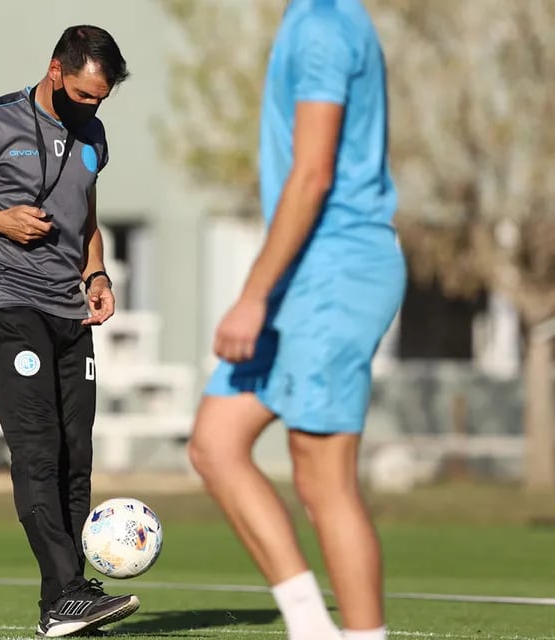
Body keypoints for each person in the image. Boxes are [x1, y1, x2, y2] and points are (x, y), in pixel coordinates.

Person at [0, 25, 138, 638]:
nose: (92, 108)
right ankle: (69, 590)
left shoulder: (94, 136)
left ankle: (61, 606)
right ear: (56, 70)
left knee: (75, 455)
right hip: (6, 305)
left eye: (103, 99)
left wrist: (97, 272)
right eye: (85, 95)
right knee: (37, 450)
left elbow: (85, 217)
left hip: (69, 310)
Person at [188, 2, 406, 640]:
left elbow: (312, 176)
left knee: (322, 477)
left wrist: (253, 295)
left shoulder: (322, 26)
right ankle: (312, 628)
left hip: (336, 270)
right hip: (304, 273)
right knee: (216, 444)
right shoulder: (310, 18)